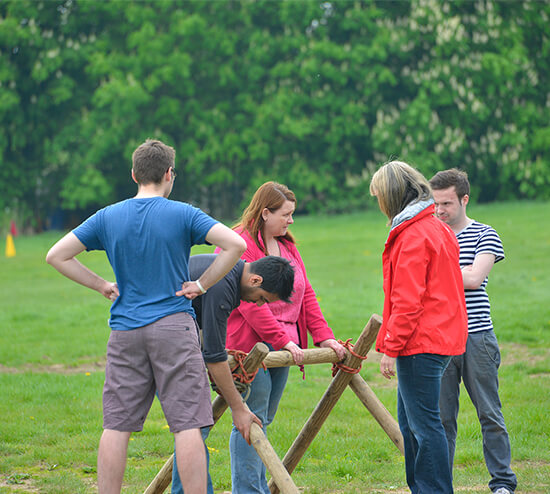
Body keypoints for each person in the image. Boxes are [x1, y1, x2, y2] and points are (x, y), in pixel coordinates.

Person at [45, 139, 248, 494]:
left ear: (134, 174)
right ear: (169, 174)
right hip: (173, 327)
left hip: (125, 331)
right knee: (186, 425)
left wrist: (102, 285)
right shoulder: (184, 213)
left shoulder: (107, 216)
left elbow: (56, 255)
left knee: (116, 426)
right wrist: (201, 284)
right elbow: (236, 245)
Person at [216, 181, 346, 494]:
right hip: (249, 347)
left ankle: (255, 485)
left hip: (286, 346)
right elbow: (249, 304)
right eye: (285, 214)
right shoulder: (237, 243)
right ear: (264, 213)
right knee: (252, 417)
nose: (291, 220)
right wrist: (282, 340)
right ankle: (249, 490)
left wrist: (324, 337)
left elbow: (306, 294)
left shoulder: (288, 246)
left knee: (265, 418)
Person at [370, 160, 468, 494]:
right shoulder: (436, 226)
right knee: (413, 424)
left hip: (421, 343)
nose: (379, 204)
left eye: (379, 197)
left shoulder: (413, 234)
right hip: (440, 338)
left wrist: (390, 347)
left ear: (392, 196)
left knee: (424, 427)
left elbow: (408, 300)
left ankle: (434, 490)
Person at [171, 253, 295, 494]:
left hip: (170, 332)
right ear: (256, 280)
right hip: (161, 337)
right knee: (193, 428)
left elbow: (209, 342)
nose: (259, 305)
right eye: (262, 299)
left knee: (193, 428)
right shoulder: (223, 283)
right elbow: (214, 355)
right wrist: (238, 408)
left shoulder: (228, 272)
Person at [430, 169, 517, 494]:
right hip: (441, 339)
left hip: (478, 337)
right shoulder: (431, 235)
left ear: (465, 199)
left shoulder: (485, 234)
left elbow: (473, 280)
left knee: (489, 414)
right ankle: (441, 486)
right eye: (436, 203)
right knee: (442, 421)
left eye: (447, 203)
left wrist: (436, 273)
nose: (439, 210)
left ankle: (503, 483)